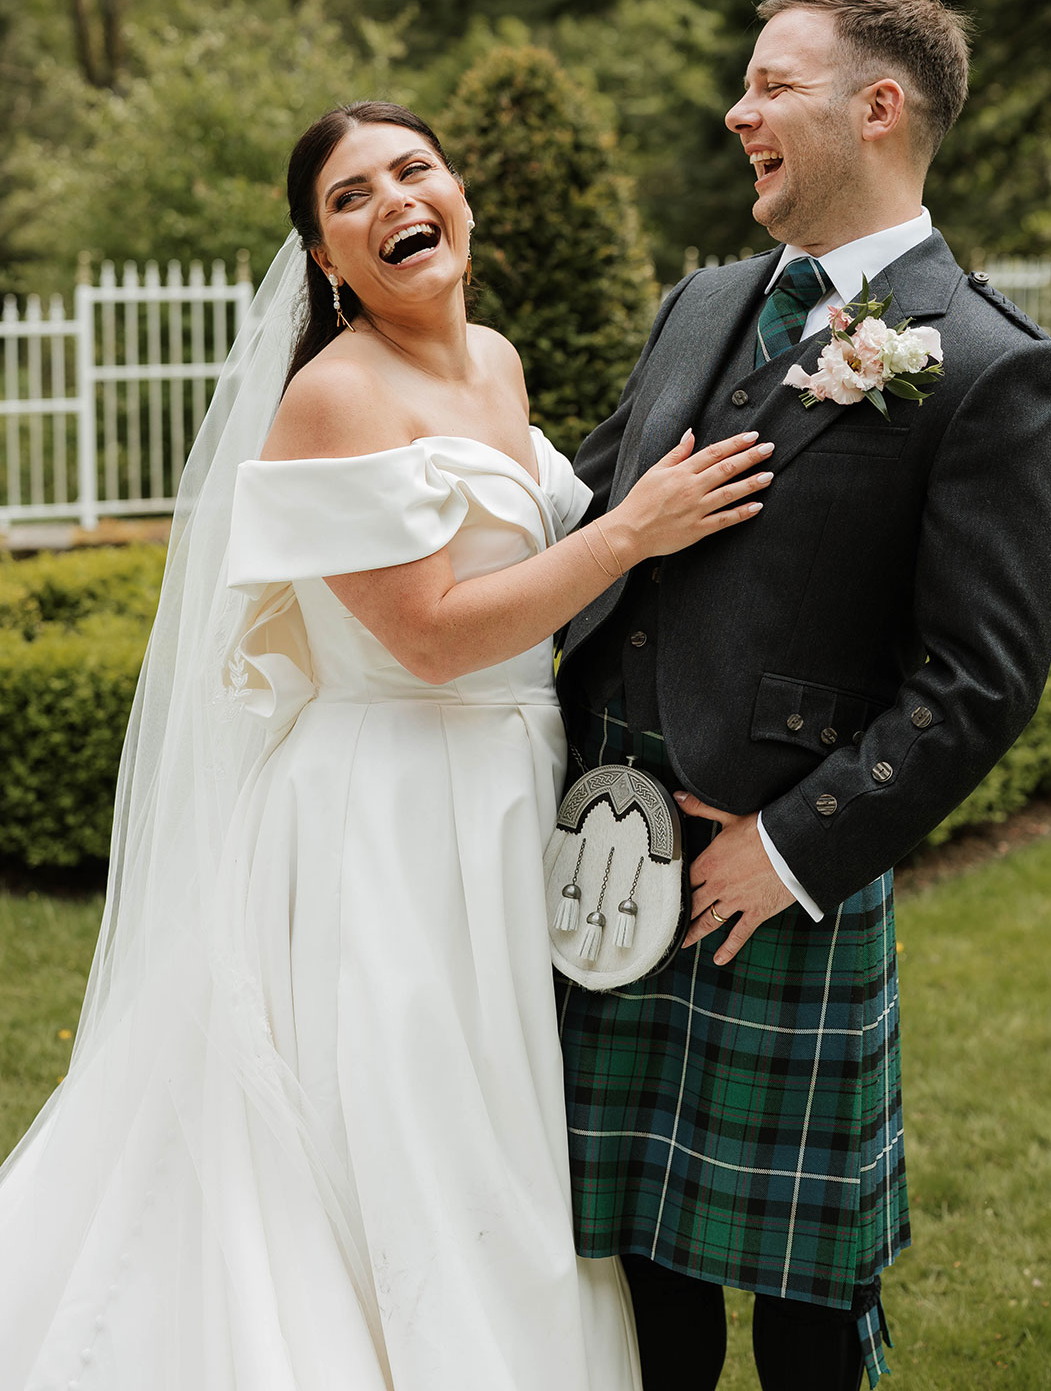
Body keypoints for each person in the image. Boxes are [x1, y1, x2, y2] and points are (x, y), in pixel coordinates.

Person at [0, 100, 773, 1391]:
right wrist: (635, 530)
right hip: (387, 818)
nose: (390, 202)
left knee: (504, 1134)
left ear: (458, 196)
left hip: (509, 794)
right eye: (348, 198)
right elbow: (427, 636)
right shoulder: (335, 395)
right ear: (323, 258)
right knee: (408, 1127)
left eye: (412, 171)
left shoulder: (499, 362)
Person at [555, 0, 1051, 1391]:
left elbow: (981, 677)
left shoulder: (982, 365)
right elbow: (581, 509)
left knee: (805, 1288)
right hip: (602, 852)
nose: (739, 113)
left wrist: (790, 854)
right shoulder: (705, 302)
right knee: (638, 1253)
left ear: (878, 107)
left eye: (772, 85)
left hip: (770, 871)